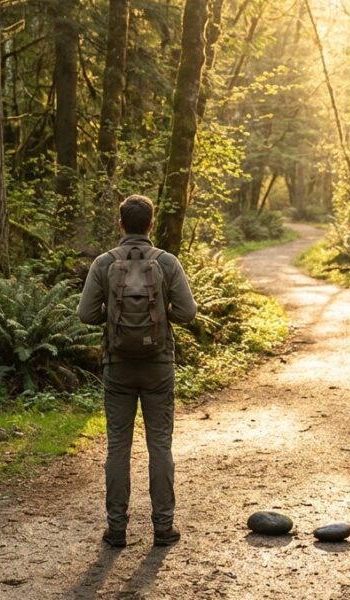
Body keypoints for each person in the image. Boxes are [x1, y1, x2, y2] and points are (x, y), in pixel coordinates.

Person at [77, 194, 197, 547]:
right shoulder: (167, 262)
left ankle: (117, 530)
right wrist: (162, 316)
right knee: (160, 446)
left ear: (120, 225)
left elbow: (85, 314)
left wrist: (112, 321)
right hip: (158, 365)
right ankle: (163, 528)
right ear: (150, 225)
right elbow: (188, 312)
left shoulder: (103, 263)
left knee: (118, 447)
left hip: (118, 367)